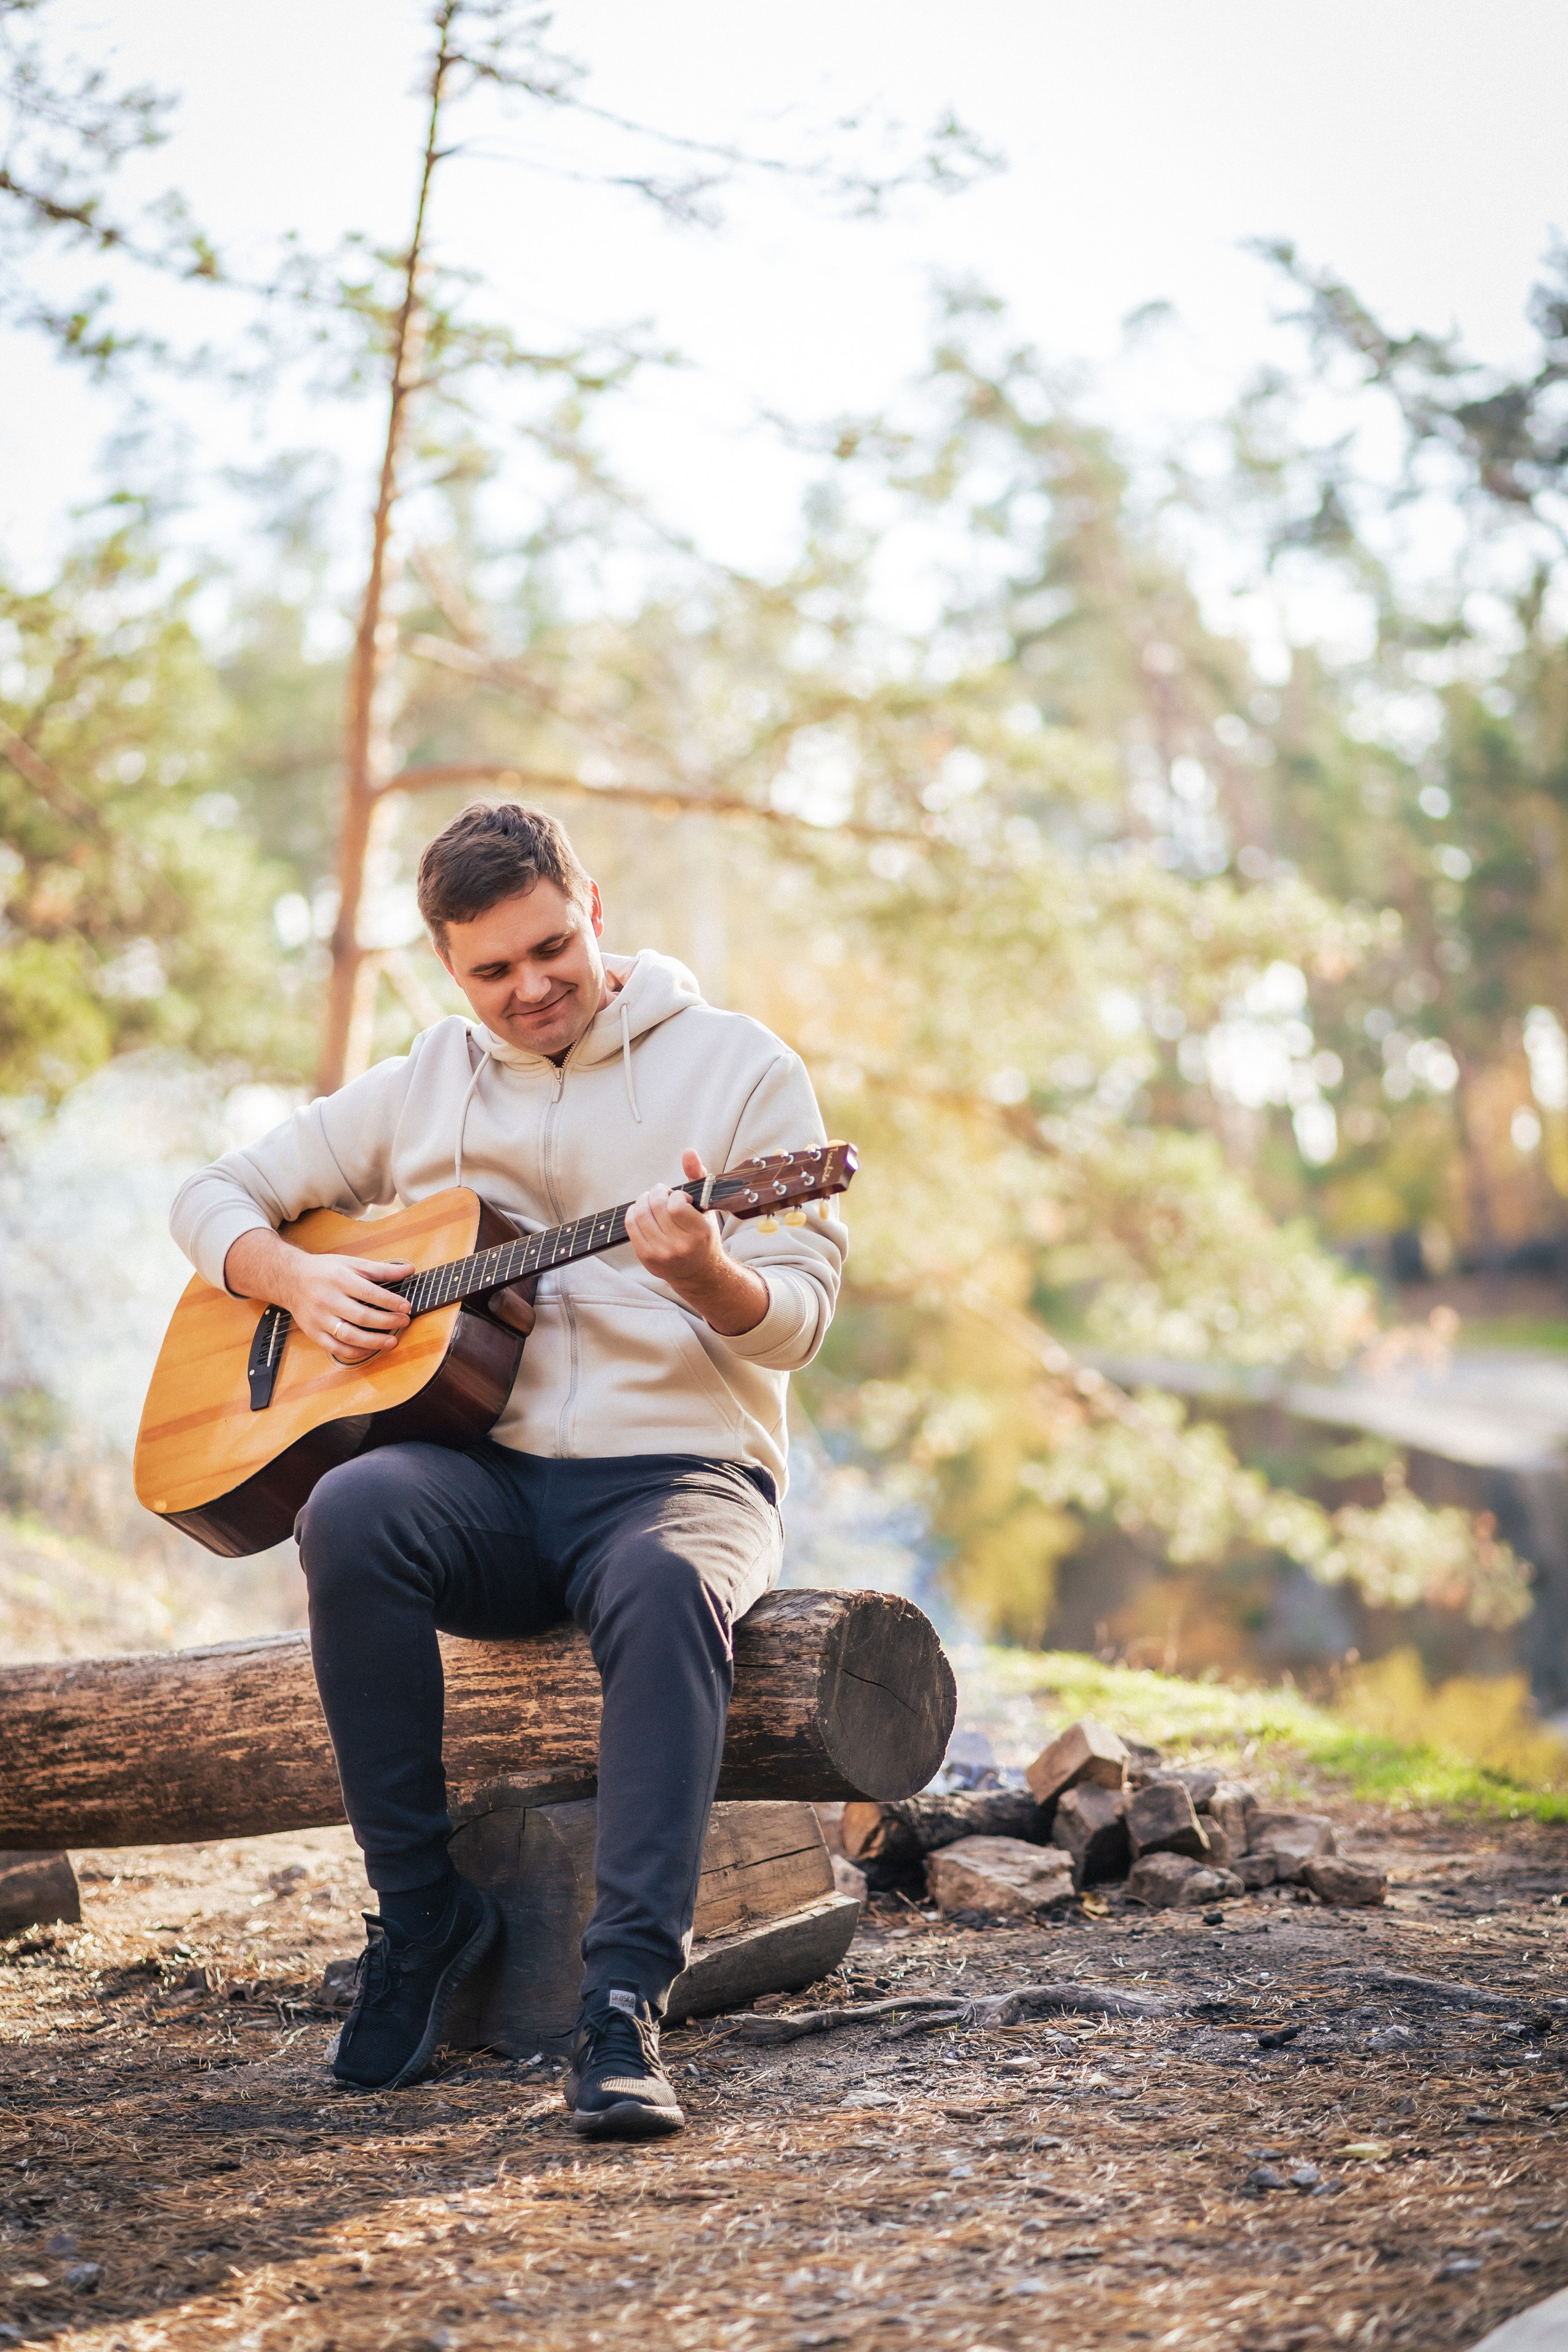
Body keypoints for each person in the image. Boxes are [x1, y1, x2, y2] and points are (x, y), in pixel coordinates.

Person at [169, 801, 844, 2139]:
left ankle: (621, 2003)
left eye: (550, 948)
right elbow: (213, 1196)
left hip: (681, 1478)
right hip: (489, 1485)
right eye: (493, 969)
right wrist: (294, 1277)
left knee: (660, 1587)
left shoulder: (738, 1068)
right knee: (351, 1505)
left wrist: (710, 1274)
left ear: (591, 908)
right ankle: (421, 1916)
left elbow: (807, 1310)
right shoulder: (423, 1083)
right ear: (449, 969)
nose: (531, 987)